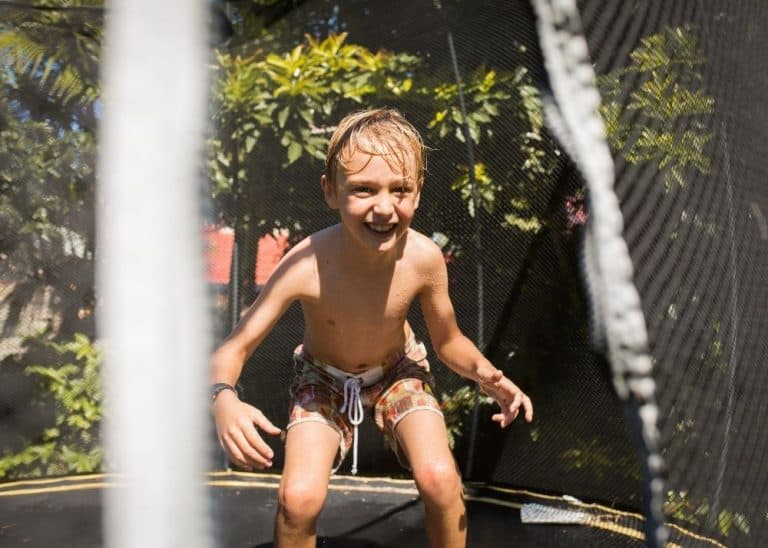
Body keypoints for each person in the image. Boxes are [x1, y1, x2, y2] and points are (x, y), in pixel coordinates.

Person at [209, 107, 534, 548]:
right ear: (331, 191)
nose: (384, 207)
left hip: (398, 371)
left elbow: (448, 341)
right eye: (363, 190)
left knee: (441, 480)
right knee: (298, 499)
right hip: (322, 378)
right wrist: (223, 398)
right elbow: (235, 346)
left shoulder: (423, 259)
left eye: (400, 190)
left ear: (417, 194)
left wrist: (486, 376)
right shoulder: (305, 265)